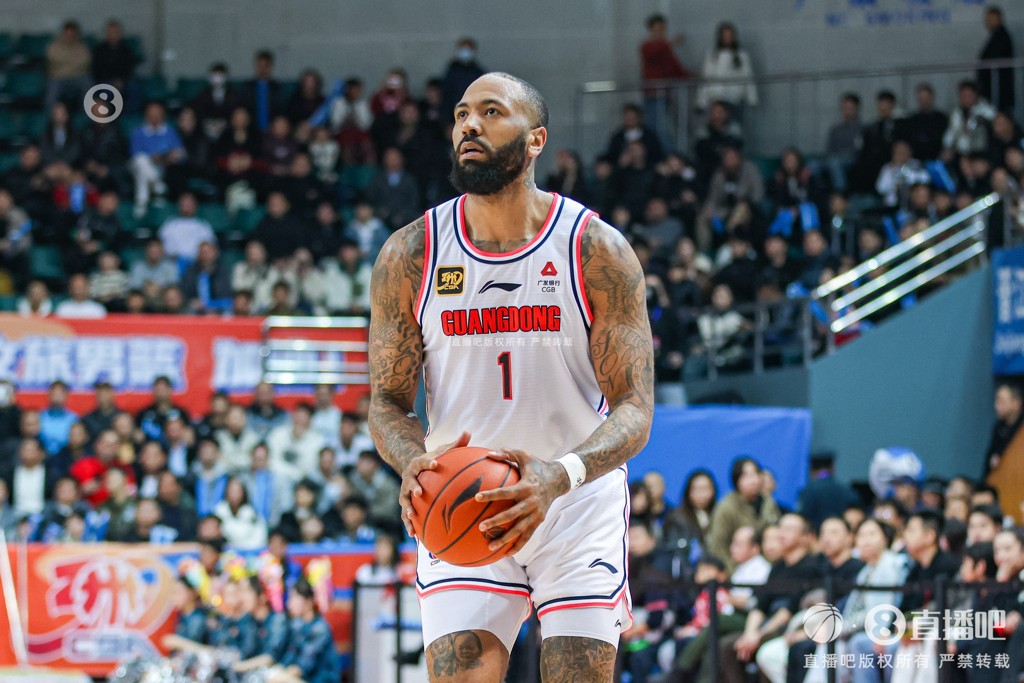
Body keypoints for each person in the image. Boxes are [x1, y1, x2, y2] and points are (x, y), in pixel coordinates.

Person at [368, 72, 654, 680]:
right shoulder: (411, 254)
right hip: (461, 497)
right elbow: (388, 402)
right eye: (461, 114)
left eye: (491, 112)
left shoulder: (594, 249)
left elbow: (635, 407)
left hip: (574, 500)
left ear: (535, 140)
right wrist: (411, 461)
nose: (469, 125)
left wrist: (561, 475)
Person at [706, 457, 782, 569]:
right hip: (736, 570)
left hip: (768, 568)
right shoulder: (726, 507)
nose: (753, 481)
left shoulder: (769, 502)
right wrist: (734, 573)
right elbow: (718, 547)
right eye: (746, 476)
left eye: (756, 474)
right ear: (736, 480)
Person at [130, 102, 186, 217]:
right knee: (141, 161)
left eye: (157, 114)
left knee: (142, 174)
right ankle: (157, 185)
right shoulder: (139, 132)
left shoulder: (170, 132)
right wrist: (152, 157)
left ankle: (141, 201)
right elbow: (135, 154)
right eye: (152, 114)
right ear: (146, 116)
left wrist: (165, 157)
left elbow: (180, 153)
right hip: (142, 165)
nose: (155, 117)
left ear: (163, 116)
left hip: (163, 167)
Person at [696, 22, 758, 118]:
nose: (727, 38)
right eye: (725, 36)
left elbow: (748, 77)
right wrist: (701, 102)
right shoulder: (712, 55)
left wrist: (752, 99)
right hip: (716, 99)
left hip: (734, 99)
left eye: (729, 35)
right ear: (720, 37)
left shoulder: (741, 55)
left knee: (735, 125)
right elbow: (706, 78)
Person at [797, 453, 861, 529]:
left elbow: (803, 517)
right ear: (832, 467)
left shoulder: (808, 491)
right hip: (840, 532)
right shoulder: (846, 490)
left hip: (815, 533)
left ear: (811, 469)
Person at [44, 20, 91, 113]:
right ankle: (51, 117)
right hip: (58, 77)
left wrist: (64, 63)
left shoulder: (82, 47)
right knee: (52, 91)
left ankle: (86, 117)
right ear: (63, 33)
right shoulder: (54, 46)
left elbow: (85, 62)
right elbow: (52, 59)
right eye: (67, 34)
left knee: (88, 86)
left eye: (72, 34)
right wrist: (73, 63)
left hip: (78, 77)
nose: (70, 37)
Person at [158, 192, 216, 265]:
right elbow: (160, 245)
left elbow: (210, 248)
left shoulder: (203, 226)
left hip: (197, 264)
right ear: (179, 205)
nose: (187, 207)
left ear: (195, 206)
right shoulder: (170, 225)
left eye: (190, 204)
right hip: (172, 263)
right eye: (184, 204)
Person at [983, 381, 1023, 479]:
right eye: (996, 400)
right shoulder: (998, 427)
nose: (996, 406)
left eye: (1002, 401)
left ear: (1016, 403)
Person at [978, 6, 1015, 112]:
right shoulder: (996, 36)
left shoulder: (1002, 37)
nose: (988, 22)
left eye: (992, 19)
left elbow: (994, 58)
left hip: (998, 89)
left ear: (1000, 19)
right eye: (987, 19)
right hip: (994, 87)